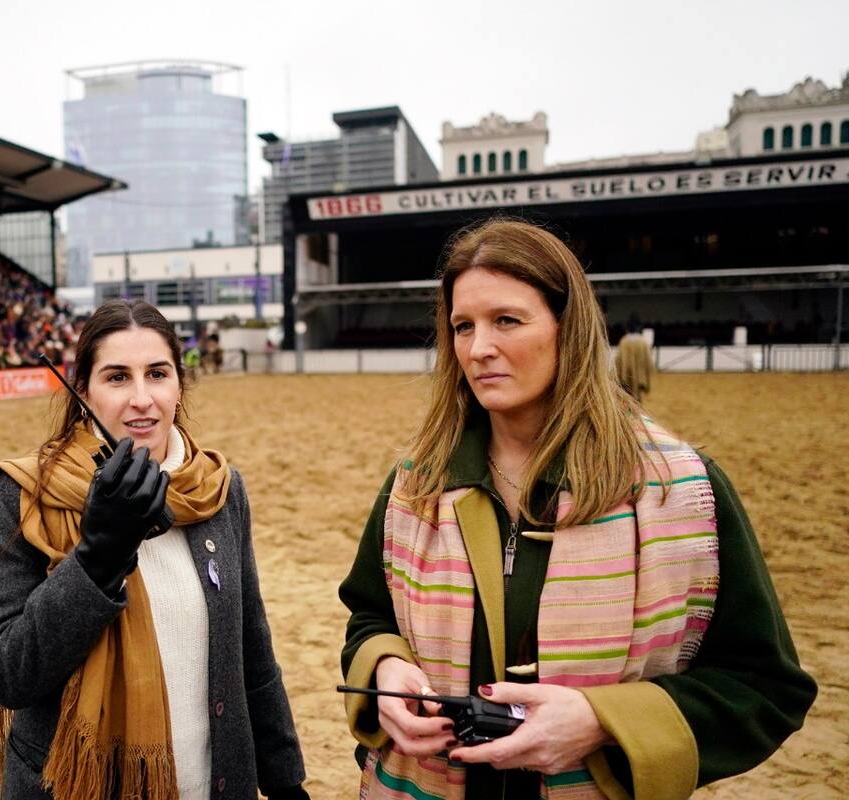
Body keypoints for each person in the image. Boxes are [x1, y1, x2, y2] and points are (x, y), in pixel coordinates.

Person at [339, 219, 815, 800]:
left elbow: (764, 686)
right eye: (463, 326)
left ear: (569, 328)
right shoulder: (414, 485)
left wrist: (604, 721)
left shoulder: (681, 489)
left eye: (507, 320)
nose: (479, 347)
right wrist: (385, 671)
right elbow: (369, 617)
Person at [0, 298, 307, 800]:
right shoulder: (27, 493)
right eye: (116, 377)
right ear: (82, 389)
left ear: (179, 383)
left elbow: (252, 652)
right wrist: (97, 557)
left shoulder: (218, 488)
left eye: (157, 373)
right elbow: (6, 673)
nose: (142, 398)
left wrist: (285, 780)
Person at [614, 326, 653, 403]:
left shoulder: (624, 341)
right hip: (639, 377)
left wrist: (617, 376)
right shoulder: (643, 342)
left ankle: (630, 412)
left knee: (627, 397)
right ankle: (636, 410)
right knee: (637, 397)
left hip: (626, 375)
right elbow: (649, 361)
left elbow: (618, 360)